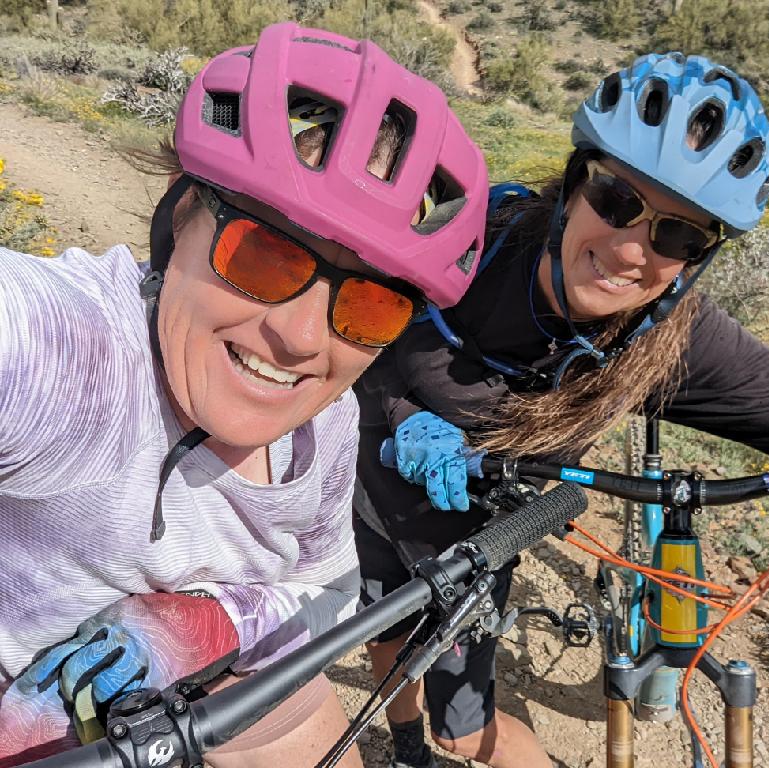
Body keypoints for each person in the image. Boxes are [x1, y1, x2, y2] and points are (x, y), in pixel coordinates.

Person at [353, 52, 769, 768]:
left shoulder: (673, 342)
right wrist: (400, 414)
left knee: (463, 729)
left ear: (697, 259)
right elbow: (348, 338)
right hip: (365, 486)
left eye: (677, 236)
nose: (629, 247)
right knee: (385, 635)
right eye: (617, 202)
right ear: (576, 186)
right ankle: (402, 745)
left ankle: (434, 743)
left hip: (477, 541)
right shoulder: (471, 242)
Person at [0, 21, 487, 768]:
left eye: (369, 305)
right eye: (263, 253)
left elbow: (326, 593)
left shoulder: (324, 430)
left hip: (184, 704)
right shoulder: (78, 354)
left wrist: (201, 624)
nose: (299, 337)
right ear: (179, 213)